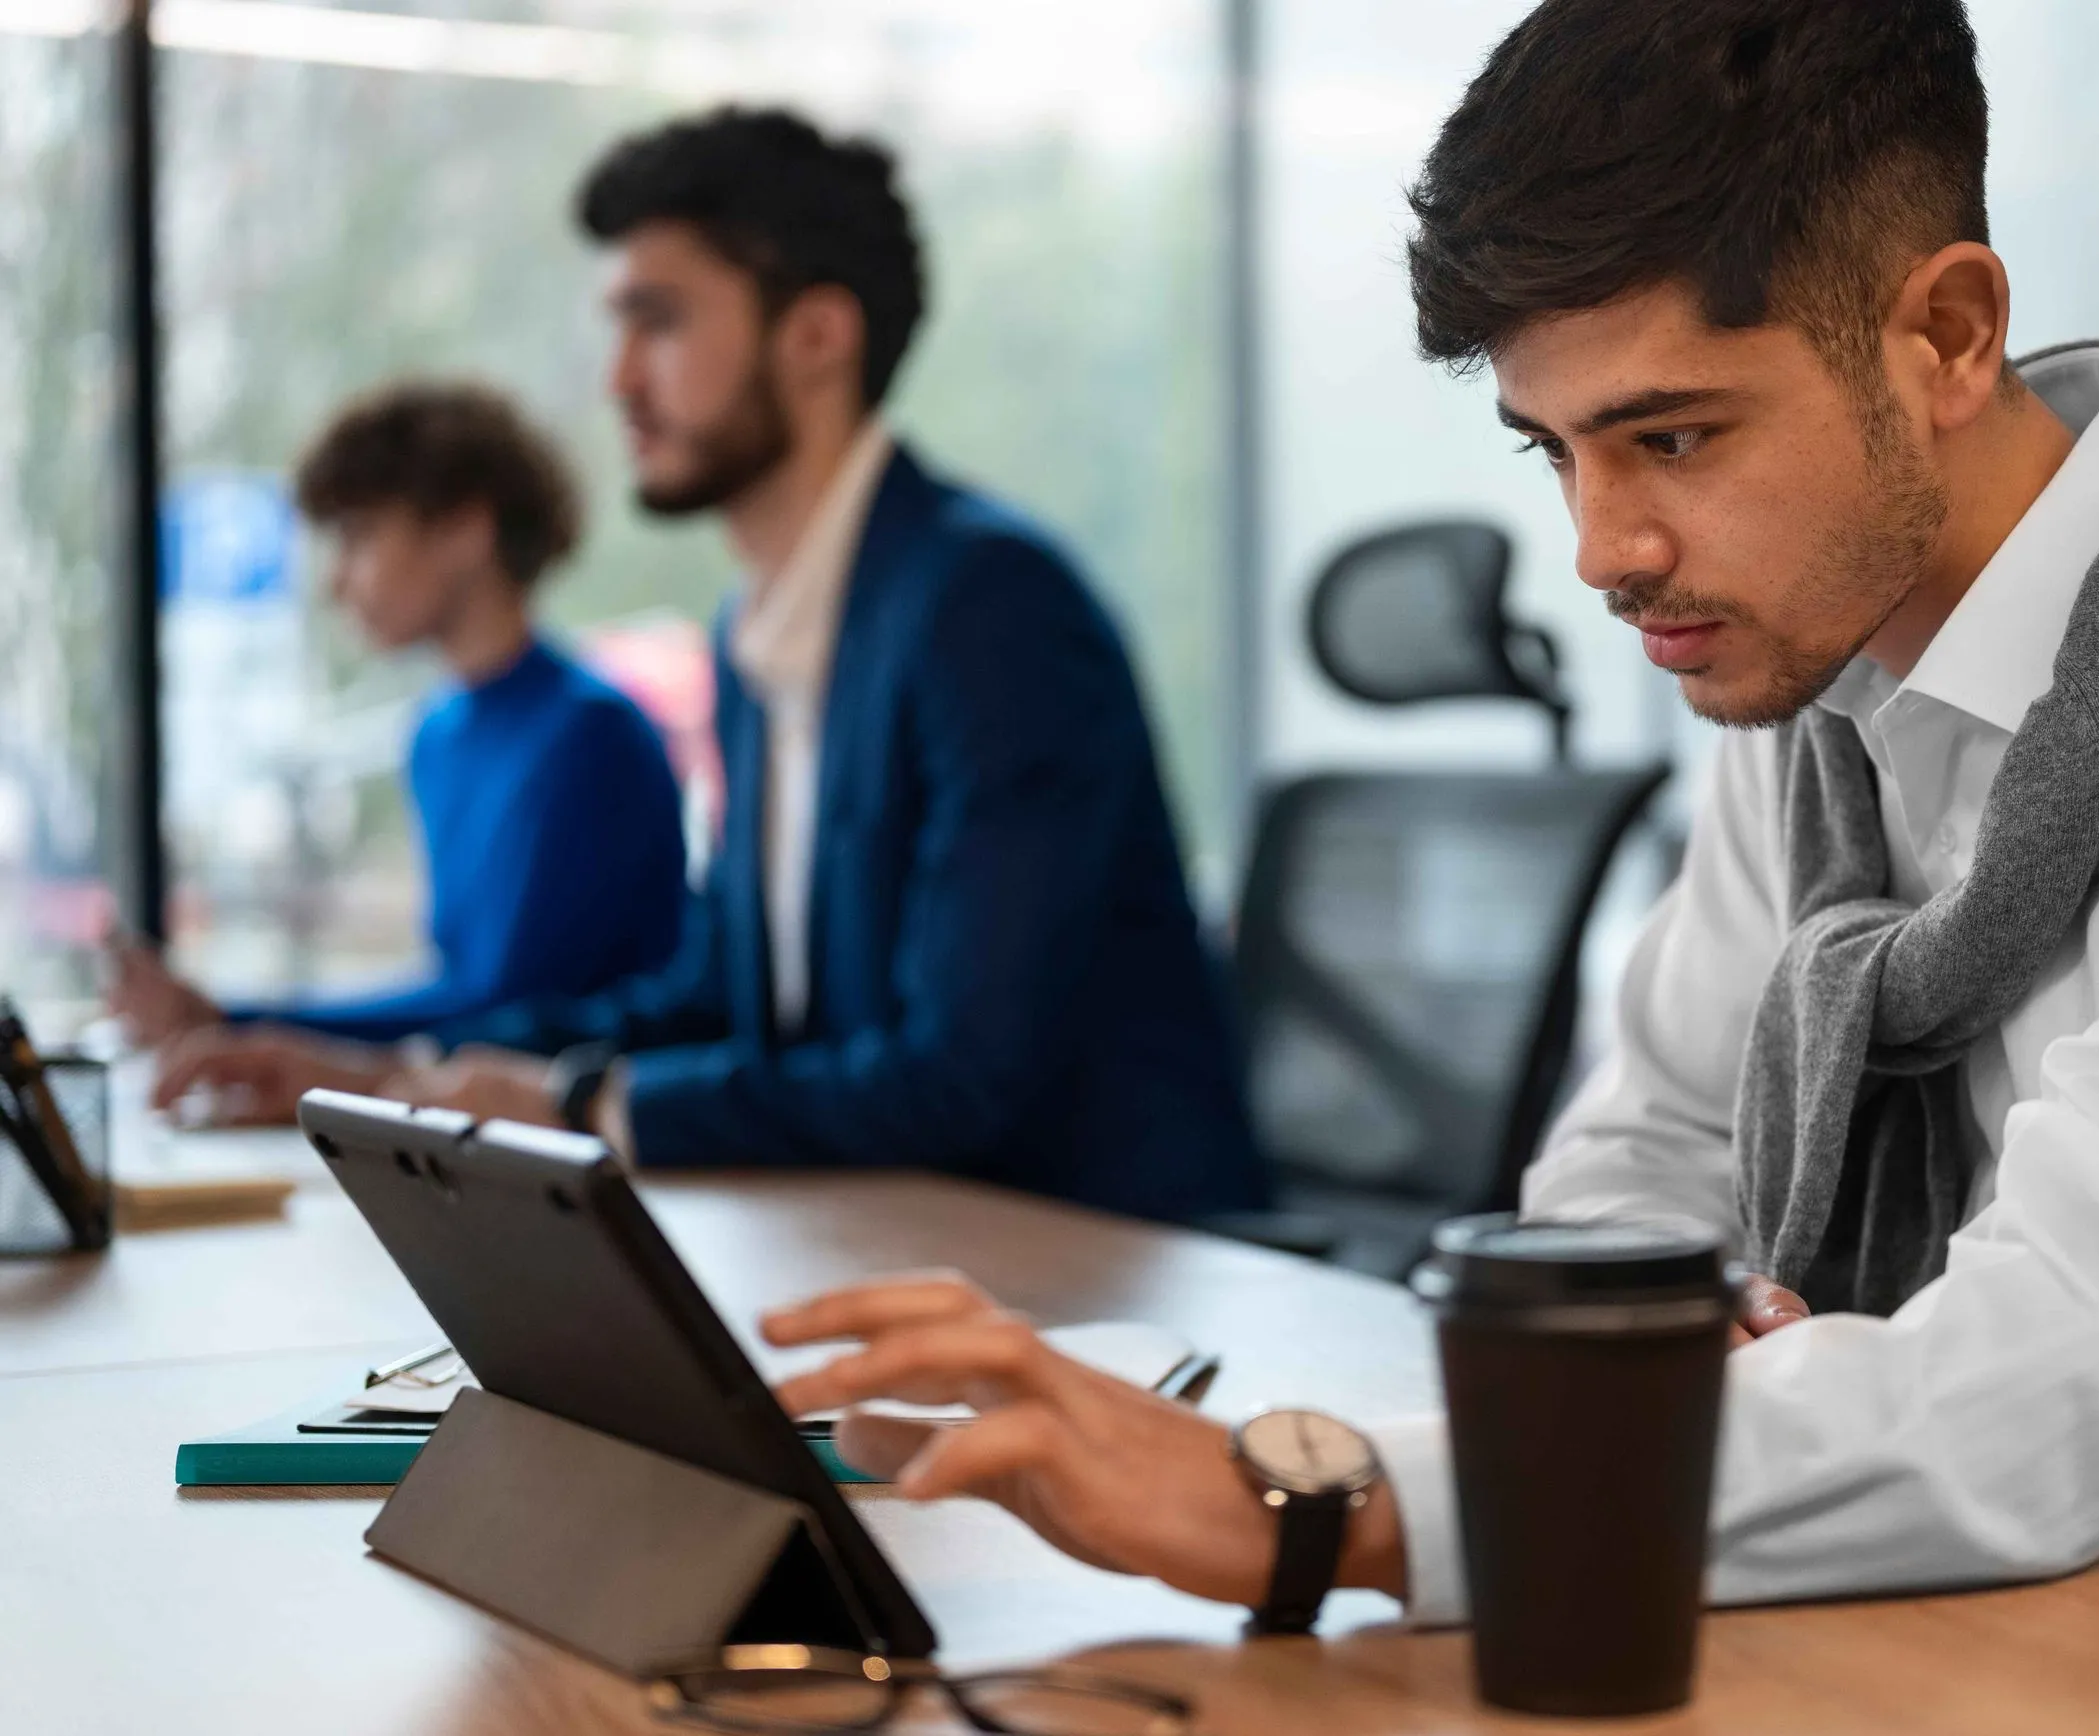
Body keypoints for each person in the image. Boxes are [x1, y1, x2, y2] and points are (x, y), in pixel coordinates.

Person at [755, 0, 2099, 1633]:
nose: (1604, 552)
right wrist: (1654, 1329)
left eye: (1674, 437)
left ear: (1946, 335)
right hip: (2007, 1601)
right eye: (1553, 449)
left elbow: (2059, 1387)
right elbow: (1638, 1160)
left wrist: (1303, 1502)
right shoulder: (1818, 654)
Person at [153, 109, 1265, 1226]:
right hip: (886, 1234)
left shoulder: (988, 609)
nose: (619, 379)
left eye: (660, 322)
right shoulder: (759, 634)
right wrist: (397, 1068)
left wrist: (576, 1103)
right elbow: (720, 995)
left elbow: (955, 1076)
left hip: (1099, 1264)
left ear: (818, 336)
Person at [109, 381, 686, 1048]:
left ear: (465, 532)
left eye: (358, 537)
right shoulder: (438, 738)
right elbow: (464, 990)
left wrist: (240, 1026)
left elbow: (507, 1008)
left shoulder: (591, 738)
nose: (335, 582)